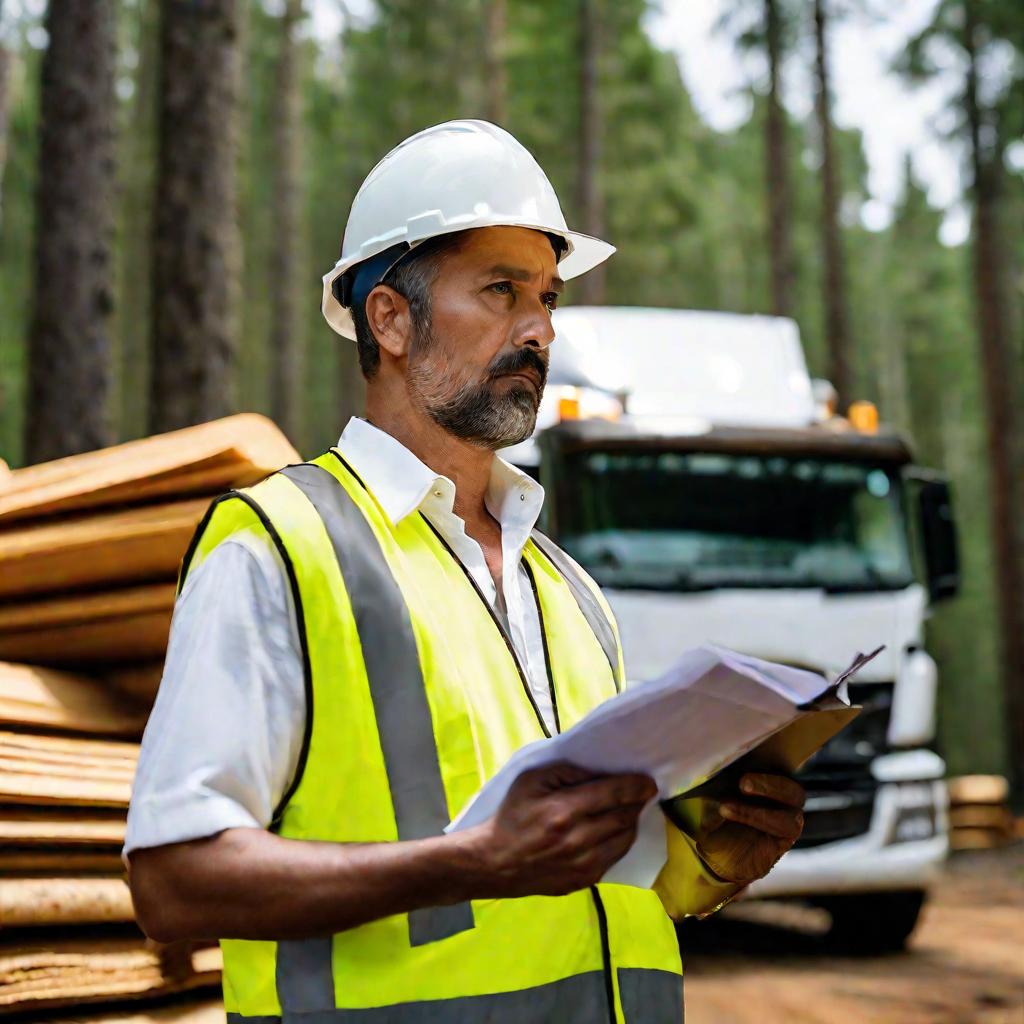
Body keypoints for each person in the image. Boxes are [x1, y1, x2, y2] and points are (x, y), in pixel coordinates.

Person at [126, 120, 805, 1024]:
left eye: (549, 299)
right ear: (390, 319)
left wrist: (716, 862)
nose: (539, 328)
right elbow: (173, 880)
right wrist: (476, 863)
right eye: (500, 290)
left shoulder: (570, 593)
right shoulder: (279, 548)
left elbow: (600, 897)